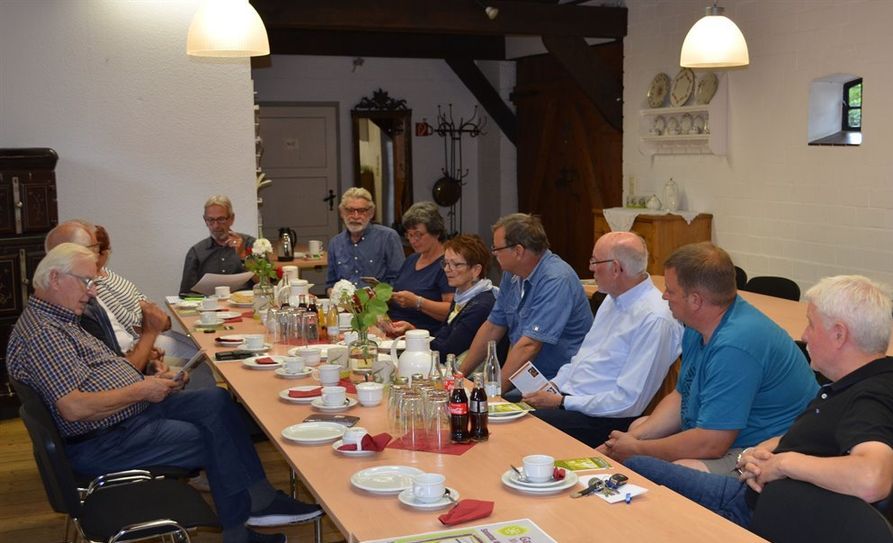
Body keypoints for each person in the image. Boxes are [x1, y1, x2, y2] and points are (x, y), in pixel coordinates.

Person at [7, 243, 321, 543]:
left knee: (217, 401)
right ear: (54, 278)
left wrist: (144, 376)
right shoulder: (43, 333)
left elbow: (94, 374)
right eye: (86, 281)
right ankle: (243, 526)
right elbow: (73, 408)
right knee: (212, 434)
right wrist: (141, 390)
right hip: (105, 441)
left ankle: (259, 502)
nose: (91, 290)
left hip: (122, 418)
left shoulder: (60, 320)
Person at [623, 275, 893, 528]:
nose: (805, 335)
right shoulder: (853, 382)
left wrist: (783, 463)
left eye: (811, 323)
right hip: (756, 489)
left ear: (839, 334)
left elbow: (872, 478)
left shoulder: (871, 396)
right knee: (640, 469)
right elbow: (824, 437)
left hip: (757, 511)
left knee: (640, 469)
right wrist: (764, 451)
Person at [600, 242, 818, 474]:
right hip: (726, 433)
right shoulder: (700, 323)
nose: (664, 296)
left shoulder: (735, 345)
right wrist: (631, 440)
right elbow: (682, 395)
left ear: (695, 300)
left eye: (670, 291)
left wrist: (638, 449)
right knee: (638, 427)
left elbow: (712, 443)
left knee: (684, 470)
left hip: (768, 446)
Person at [523, 232, 683, 447]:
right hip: (573, 400)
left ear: (616, 268)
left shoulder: (655, 318)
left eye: (595, 261)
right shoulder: (612, 298)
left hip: (604, 419)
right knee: (505, 411)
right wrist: (553, 385)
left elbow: (628, 402)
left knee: (523, 428)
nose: (591, 268)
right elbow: (582, 360)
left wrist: (562, 402)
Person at [459, 213, 592, 392]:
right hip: (527, 379)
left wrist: (494, 395)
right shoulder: (512, 273)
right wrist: (459, 376)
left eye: (497, 249)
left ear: (518, 251)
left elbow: (529, 346)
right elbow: (492, 326)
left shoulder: (556, 279)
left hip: (559, 382)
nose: (494, 254)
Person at [387, 234, 507, 360]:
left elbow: (446, 351)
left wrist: (415, 339)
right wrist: (413, 332)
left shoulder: (481, 305)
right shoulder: (462, 296)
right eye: (446, 263)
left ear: (476, 270)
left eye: (456, 264)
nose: (447, 269)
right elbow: (443, 336)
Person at [385, 202, 452, 334]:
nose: (413, 240)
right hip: (396, 330)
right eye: (409, 235)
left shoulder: (447, 264)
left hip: (423, 336)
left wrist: (417, 302)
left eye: (418, 234)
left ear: (436, 233)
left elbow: (451, 311)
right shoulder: (412, 259)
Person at [325, 187, 404, 289]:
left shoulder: (388, 237)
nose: (355, 216)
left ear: (371, 213)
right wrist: (332, 292)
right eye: (350, 210)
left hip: (378, 303)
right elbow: (330, 284)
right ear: (341, 212)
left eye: (362, 211)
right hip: (345, 303)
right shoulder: (335, 243)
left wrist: (379, 293)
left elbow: (400, 280)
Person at [180, 195, 256, 294]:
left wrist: (242, 255)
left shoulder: (251, 244)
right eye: (211, 220)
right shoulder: (196, 252)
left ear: (231, 219)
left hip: (245, 306)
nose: (216, 226)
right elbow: (186, 294)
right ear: (205, 220)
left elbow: (266, 283)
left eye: (221, 219)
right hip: (208, 307)